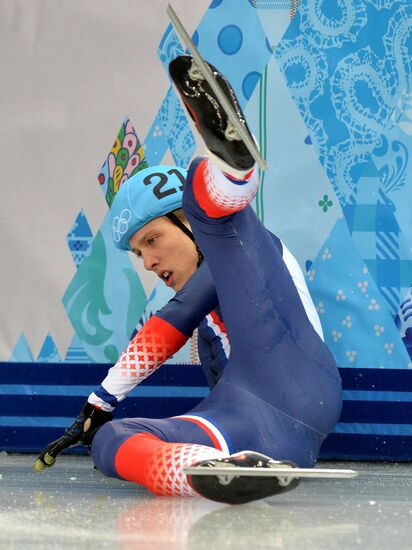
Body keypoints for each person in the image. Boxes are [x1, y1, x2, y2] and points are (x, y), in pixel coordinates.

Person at [35, 55, 342, 503]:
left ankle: (233, 173)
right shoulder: (208, 288)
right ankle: (201, 472)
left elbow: (169, 325)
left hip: (294, 375)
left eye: (152, 239)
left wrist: (101, 400)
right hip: (254, 430)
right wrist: (102, 420)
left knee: (216, 212)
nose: (148, 262)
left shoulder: (249, 250)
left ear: (183, 225)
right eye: (139, 253)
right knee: (113, 440)